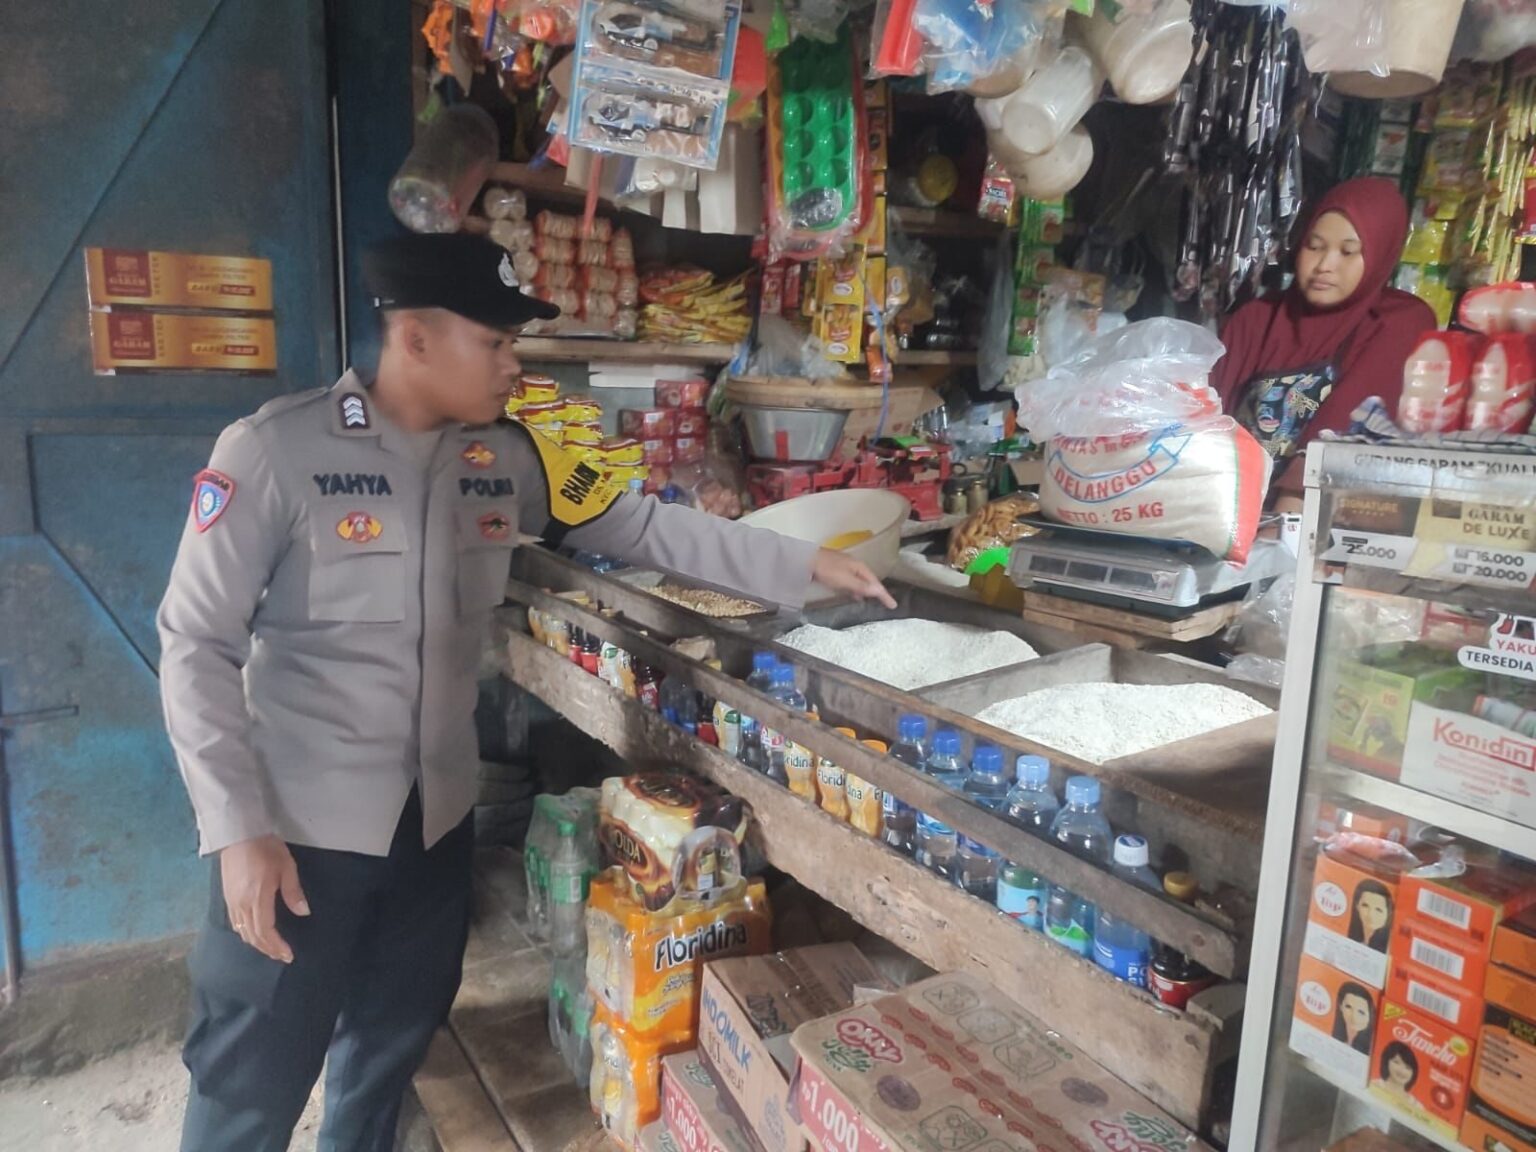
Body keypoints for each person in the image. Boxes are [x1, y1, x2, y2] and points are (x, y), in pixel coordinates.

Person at [157, 230, 896, 1151]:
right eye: (496, 341)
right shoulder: (274, 450)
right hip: (298, 832)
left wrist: (803, 563)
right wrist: (236, 830)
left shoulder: (509, 458)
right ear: (415, 338)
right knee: (252, 1074)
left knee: (389, 1053)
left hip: (433, 827)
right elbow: (194, 643)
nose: (514, 362)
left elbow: (641, 528)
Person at [1212, 177, 1436, 510]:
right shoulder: (1256, 319)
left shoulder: (1399, 323)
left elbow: (1342, 439)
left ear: (1380, 254)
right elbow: (1208, 424)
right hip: (1224, 508)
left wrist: (1278, 527)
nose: (1324, 266)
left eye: (1348, 252)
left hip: (1317, 519)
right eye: (1314, 246)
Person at [1348, 878, 1394, 953]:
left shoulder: (1390, 950)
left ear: (1388, 913)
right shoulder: (1351, 941)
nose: (1371, 914)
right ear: (1357, 906)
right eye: (1365, 906)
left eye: (1378, 909)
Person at [1332, 981, 1376, 1055]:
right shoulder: (1336, 1039)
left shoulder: (1370, 1050)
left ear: (1370, 1016)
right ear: (1340, 1006)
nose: (1354, 1016)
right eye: (1348, 1007)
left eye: (1361, 1012)